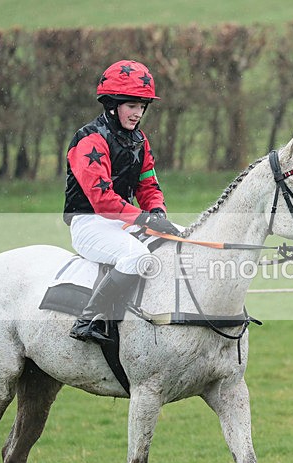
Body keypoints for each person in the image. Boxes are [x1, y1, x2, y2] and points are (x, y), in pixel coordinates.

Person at [63, 59, 180, 345]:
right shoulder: (89, 139)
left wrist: (157, 212)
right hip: (90, 222)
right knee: (136, 257)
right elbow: (102, 200)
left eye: (142, 107)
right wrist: (143, 219)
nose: (138, 113)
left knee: (179, 238)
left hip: (122, 221)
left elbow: (148, 185)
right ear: (112, 105)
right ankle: (88, 319)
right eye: (132, 105)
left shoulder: (140, 140)